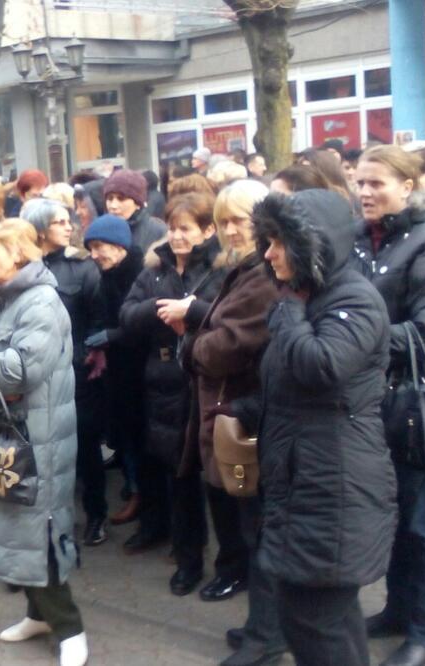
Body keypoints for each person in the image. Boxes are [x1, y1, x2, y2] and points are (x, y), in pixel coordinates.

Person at [253, 189, 396, 666]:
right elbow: (288, 385)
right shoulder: (310, 295)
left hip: (334, 484)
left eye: (279, 243)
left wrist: (290, 313)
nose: (269, 254)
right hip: (306, 479)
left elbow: (321, 366)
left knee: (318, 621)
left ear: (313, 244)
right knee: (317, 616)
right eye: (267, 242)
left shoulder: (353, 299)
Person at [0, 220, 87, 666]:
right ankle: (38, 614)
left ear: (21, 254)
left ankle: (70, 628)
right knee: (14, 528)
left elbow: (18, 373)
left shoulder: (43, 303)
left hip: (40, 441)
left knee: (38, 530)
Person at [354, 145, 425, 666]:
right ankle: (399, 611)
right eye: (360, 182)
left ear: (408, 185)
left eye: (377, 183)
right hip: (376, 397)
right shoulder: (360, 242)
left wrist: (351, 338)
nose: (365, 192)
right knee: (395, 515)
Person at [179, 179, 284, 666]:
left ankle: (270, 634)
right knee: (249, 527)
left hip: (249, 415)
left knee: (261, 530)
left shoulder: (262, 275)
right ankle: (263, 627)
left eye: (238, 219)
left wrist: (193, 341)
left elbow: (226, 345)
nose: (229, 230)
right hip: (231, 411)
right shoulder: (242, 268)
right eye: (222, 221)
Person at [119, 192, 224, 596]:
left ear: (206, 230)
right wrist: (164, 308)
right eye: (173, 228)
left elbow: (227, 317)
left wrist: (193, 311)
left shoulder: (218, 270)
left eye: (186, 229)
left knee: (214, 478)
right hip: (164, 381)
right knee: (177, 476)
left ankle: (230, 562)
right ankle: (188, 559)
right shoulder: (154, 269)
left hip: (207, 378)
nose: (177, 237)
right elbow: (128, 316)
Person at [22, 199, 108, 546]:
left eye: (67, 220)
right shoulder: (22, 266)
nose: (69, 226)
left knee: (85, 448)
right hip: (34, 377)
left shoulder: (82, 268)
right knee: (41, 454)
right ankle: (51, 520)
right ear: (40, 228)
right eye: (59, 222)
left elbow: (98, 320)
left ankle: (96, 513)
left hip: (76, 376)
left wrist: (86, 357)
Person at [82, 214, 146, 531]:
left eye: (98, 247)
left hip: (141, 374)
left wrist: (113, 335)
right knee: (127, 439)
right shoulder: (107, 275)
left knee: (141, 440)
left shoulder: (139, 273)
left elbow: (146, 321)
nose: (94, 255)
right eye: (90, 248)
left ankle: (144, 499)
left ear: (119, 246)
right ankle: (137, 493)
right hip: (118, 372)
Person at [103, 169, 166, 256]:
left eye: (121, 199)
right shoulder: (101, 231)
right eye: (109, 198)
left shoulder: (158, 231)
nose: (113, 206)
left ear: (137, 203)